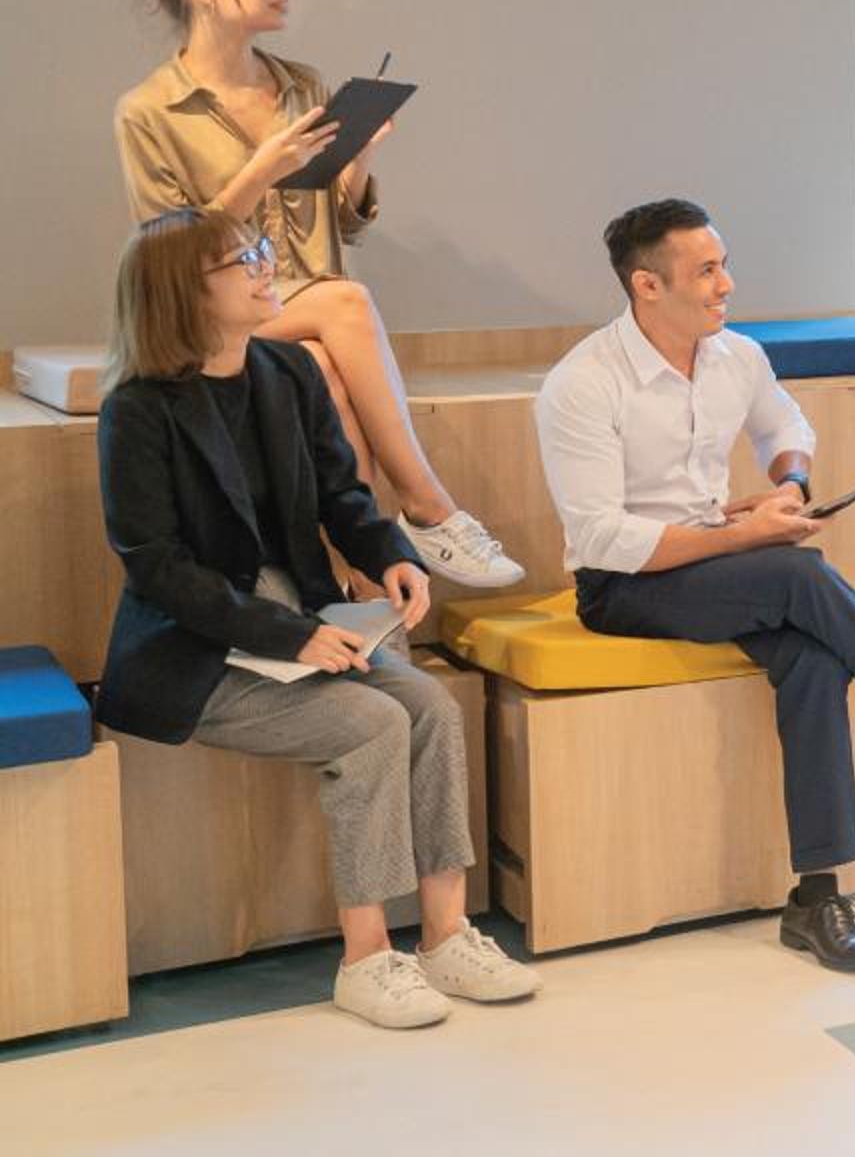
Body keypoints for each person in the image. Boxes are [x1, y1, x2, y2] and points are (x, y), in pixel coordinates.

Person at [534, 199, 855, 972]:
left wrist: (789, 487)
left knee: (814, 658)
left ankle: (818, 897)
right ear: (647, 286)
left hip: (713, 561)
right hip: (624, 585)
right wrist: (746, 533)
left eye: (723, 265)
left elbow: (786, 430)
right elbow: (601, 539)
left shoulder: (736, 358)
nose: (726, 284)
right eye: (705, 271)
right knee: (798, 571)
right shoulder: (583, 384)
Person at [93, 208, 541, 1030]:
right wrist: (291, 635)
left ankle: (445, 935)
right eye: (243, 261)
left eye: (261, 251)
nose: (267, 268)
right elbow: (158, 570)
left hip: (298, 621)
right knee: (371, 725)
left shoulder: (287, 371)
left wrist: (391, 554)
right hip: (197, 652)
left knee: (432, 707)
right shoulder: (138, 410)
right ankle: (366, 958)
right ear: (184, 292)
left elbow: (341, 494)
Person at [114, 0, 520, 590]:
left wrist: (356, 162)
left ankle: (361, 594)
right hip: (208, 314)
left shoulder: (300, 86)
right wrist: (259, 172)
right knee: (347, 302)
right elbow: (166, 256)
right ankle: (428, 509)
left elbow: (342, 225)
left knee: (325, 371)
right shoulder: (149, 110)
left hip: (297, 312)